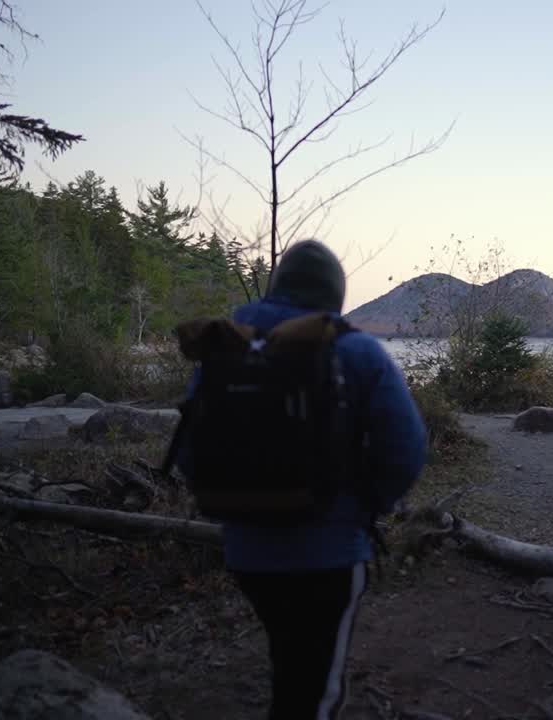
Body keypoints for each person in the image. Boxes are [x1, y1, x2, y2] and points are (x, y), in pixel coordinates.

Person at [175, 239, 427, 720]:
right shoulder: (357, 351)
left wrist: (234, 502)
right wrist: (368, 506)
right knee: (316, 694)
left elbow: (190, 449)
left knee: (290, 654)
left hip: (246, 554)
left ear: (276, 289)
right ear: (333, 296)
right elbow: (406, 449)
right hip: (331, 554)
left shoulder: (226, 348)